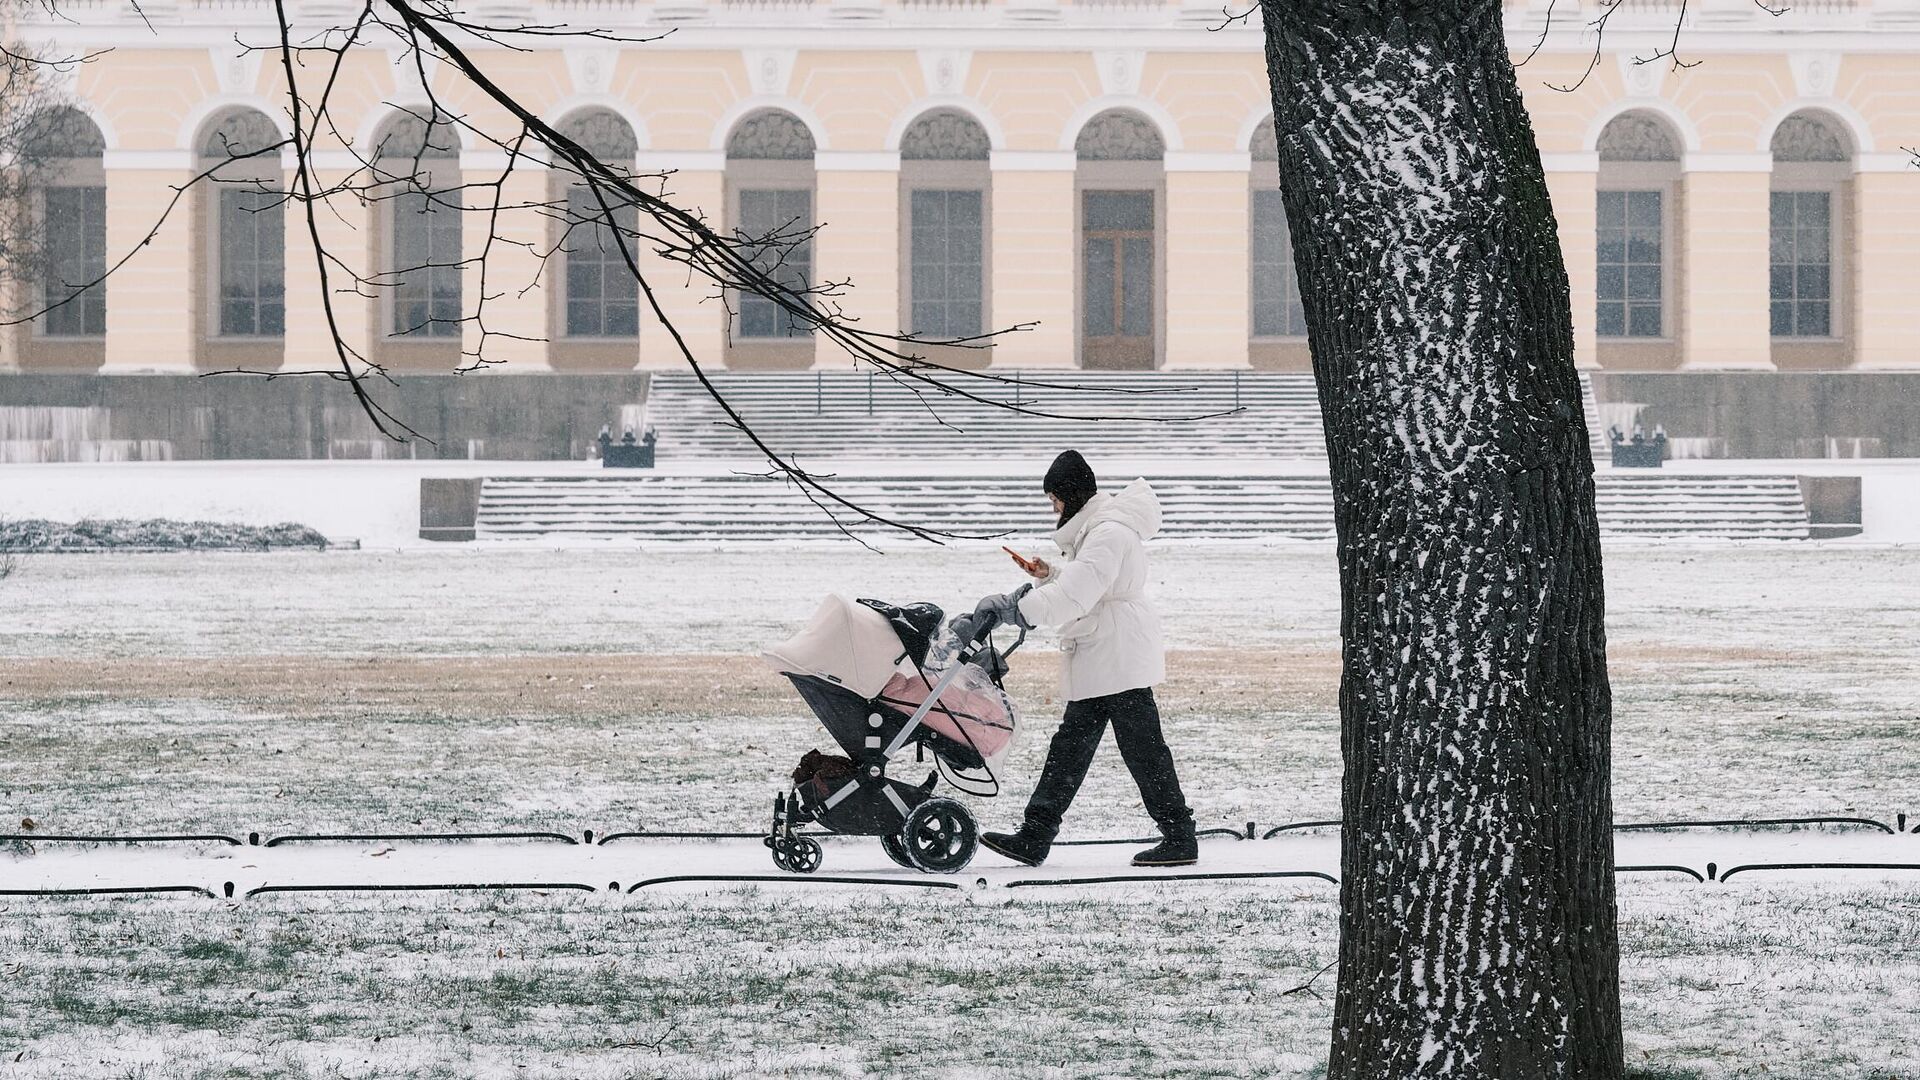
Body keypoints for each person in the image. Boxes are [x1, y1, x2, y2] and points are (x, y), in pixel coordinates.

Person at [965, 450, 1198, 868]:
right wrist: (1049, 575)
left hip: (1116, 654)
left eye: (1054, 498)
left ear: (1070, 495)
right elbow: (1086, 582)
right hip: (1107, 651)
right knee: (1075, 748)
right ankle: (1037, 834)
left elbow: (1079, 593)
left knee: (1139, 751)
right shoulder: (1099, 529)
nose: (1052, 507)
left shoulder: (1107, 532)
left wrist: (1019, 610)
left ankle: (1179, 835)